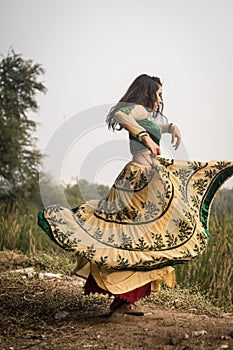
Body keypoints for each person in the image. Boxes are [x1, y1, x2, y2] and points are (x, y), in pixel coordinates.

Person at [38, 74, 233, 316]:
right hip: (137, 179)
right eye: (158, 94)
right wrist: (144, 138)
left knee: (147, 236)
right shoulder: (137, 110)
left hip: (148, 178)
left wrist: (170, 127)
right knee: (132, 236)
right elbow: (121, 115)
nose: (161, 100)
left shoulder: (145, 115)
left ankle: (124, 300)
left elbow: (151, 124)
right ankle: (123, 300)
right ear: (148, 92)